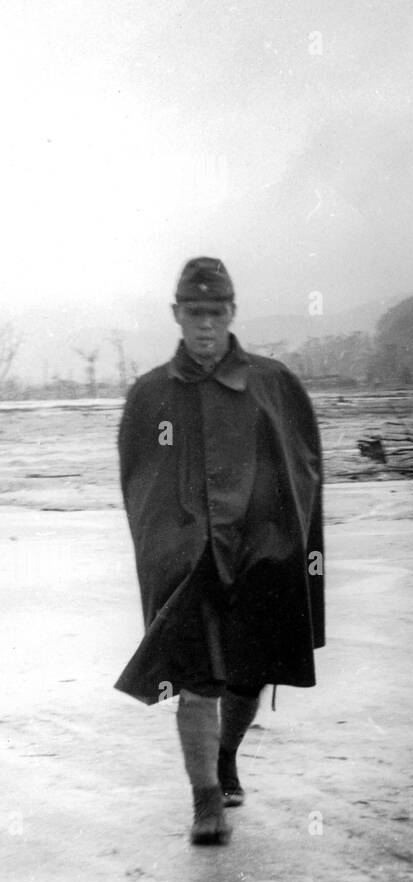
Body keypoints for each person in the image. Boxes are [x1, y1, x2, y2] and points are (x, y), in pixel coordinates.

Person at [114, 257, 325, 845]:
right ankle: (205, 801)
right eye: (193, 313)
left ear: (232, 313)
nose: (205, 325)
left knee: (248, 676)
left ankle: (227, 754)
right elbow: (141, 483)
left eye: (216, 312)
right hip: (192, 564)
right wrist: (166, 553)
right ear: (176, 315)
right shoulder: (152, 394)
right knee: (197, 679)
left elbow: (301, 467)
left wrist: (285, 544)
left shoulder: (272, 383)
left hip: (261, 557)